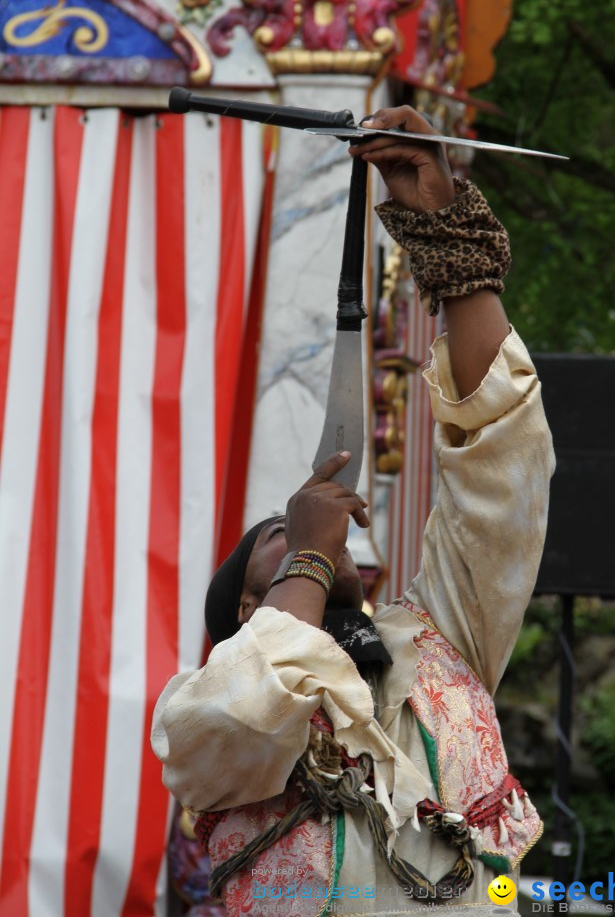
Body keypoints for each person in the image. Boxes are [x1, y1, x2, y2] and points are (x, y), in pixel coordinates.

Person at [151, 106, 555, 916]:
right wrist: (307, 552)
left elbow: (500, 465)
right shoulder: (200, 723)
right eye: (278, 535)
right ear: (244, 609)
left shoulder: (439, 641)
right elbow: (247, 706)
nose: (306, 533)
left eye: (303, 534)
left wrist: (446, 232)